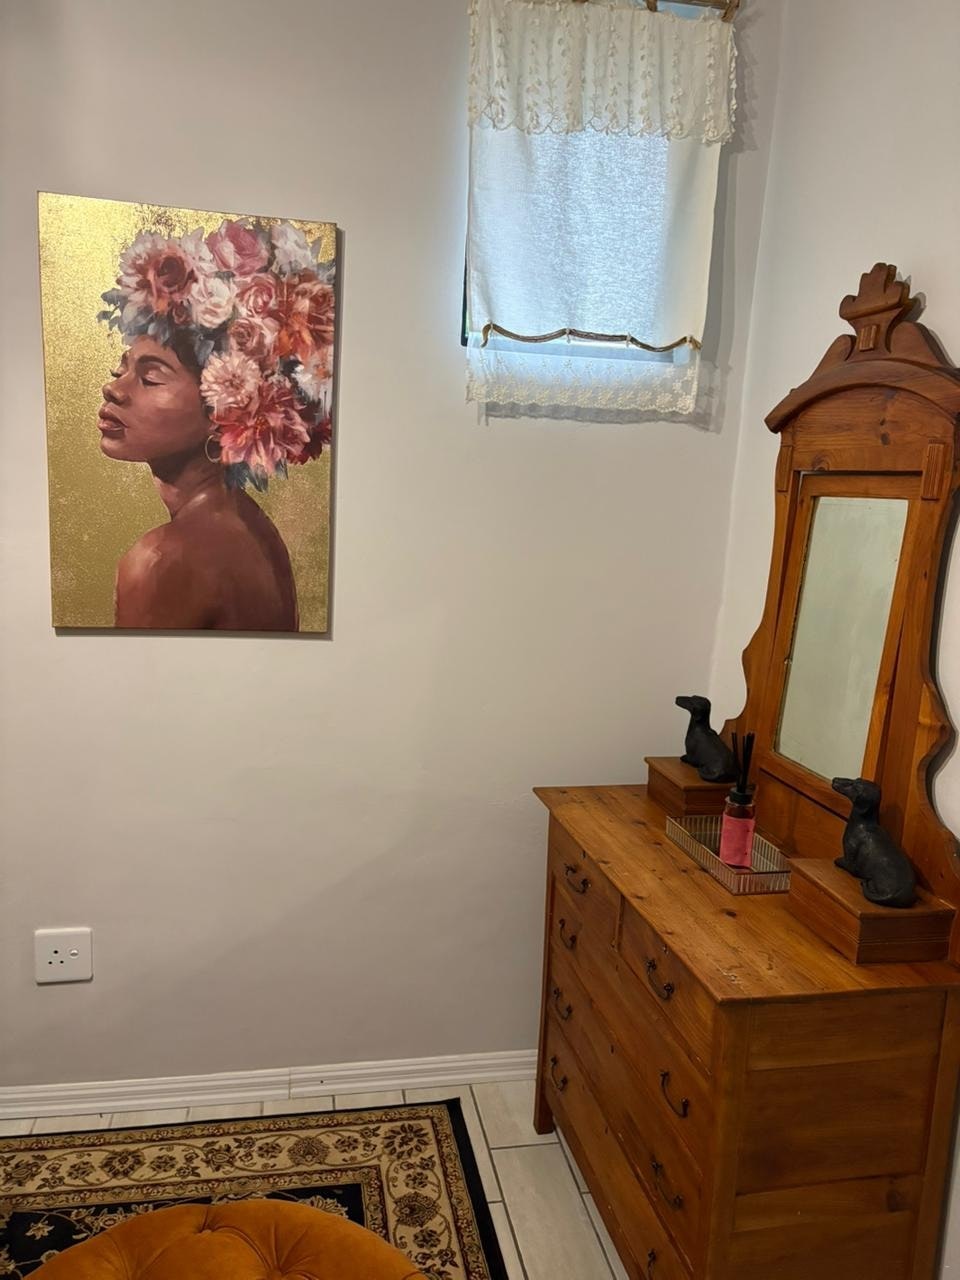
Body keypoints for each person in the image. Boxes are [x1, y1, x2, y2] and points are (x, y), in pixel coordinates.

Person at [96, 217, 334, 631]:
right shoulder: (249, 524)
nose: (113, 389)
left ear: (226, 410)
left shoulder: (163, 562)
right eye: (121, 369)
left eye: (150, 378)